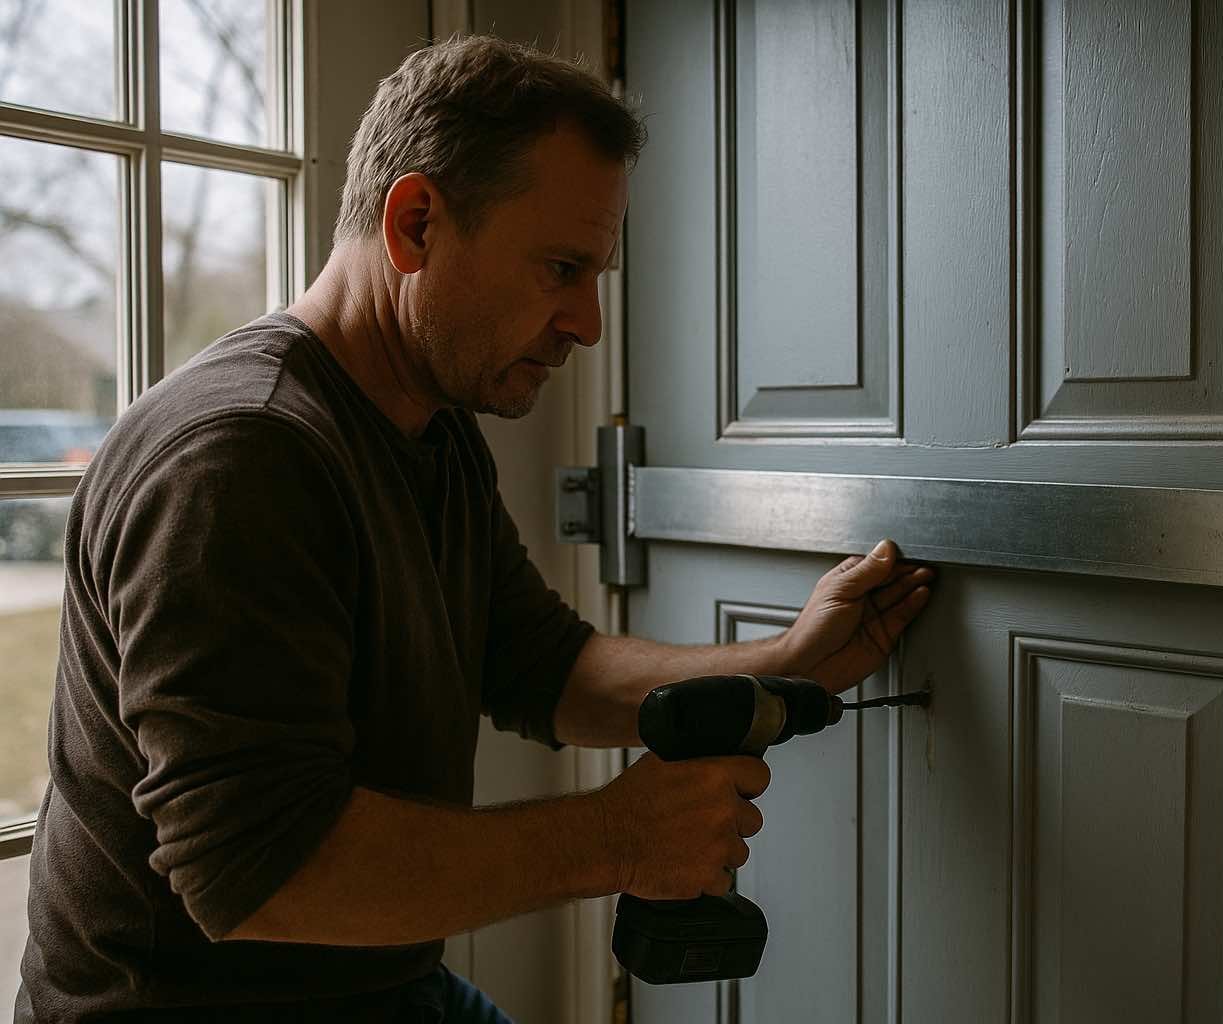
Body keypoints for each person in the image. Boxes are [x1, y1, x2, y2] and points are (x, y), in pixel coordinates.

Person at [15, 35, 934, 1024]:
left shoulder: (432, 426)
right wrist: (615, 839)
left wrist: (784, 662)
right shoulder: (241, 457)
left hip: (383, 985)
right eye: (561, 268)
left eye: (595, 275)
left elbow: (543, 665)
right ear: (416, 223)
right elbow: (256, 871)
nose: (586, 322)